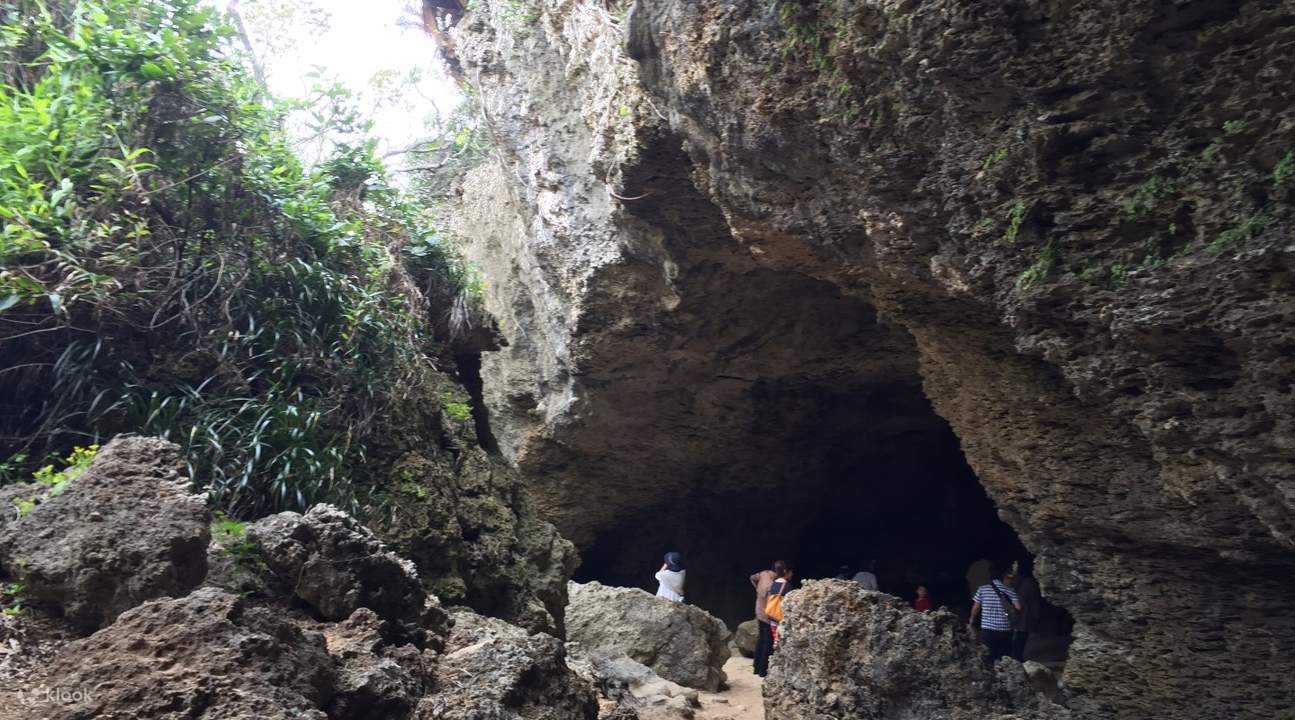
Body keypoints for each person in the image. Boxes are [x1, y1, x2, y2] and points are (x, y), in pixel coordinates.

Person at [968, 563, 1022, 665]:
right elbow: (1019, 607)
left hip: (988, 630)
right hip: (1005, 630)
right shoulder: (1010, 591)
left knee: (987, 658)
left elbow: (976, 607)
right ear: (1003, 576)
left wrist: (971, 620)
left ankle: (990, 677)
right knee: (1004, 659)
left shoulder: (983, 589)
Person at [750, 560, 787, 678]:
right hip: (767, 615)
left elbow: (752, 578)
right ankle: (763, 670)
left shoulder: (763, 574)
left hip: (758, 610)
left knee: (761, 639)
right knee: (767, 642)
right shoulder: (772, 585)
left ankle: (756, 667)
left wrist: (757, 589)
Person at [1012, 565, 1043, 661]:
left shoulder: (1016, 580)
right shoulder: (1030, 583)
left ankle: (1014, 655)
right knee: (1021, 636)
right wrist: (1036, 614)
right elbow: (1034, 600)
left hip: (1016, 611)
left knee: (1016, 636)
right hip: (1025, 612)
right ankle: (1017, 656)